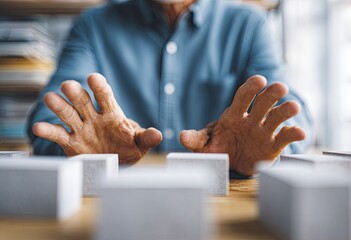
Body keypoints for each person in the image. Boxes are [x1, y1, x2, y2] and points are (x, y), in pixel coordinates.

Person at [27, 0, 312, 177]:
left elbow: (291, 118)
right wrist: (81, 148)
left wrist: (266, 146)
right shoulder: (93, 25)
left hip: (221, 198)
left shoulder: (248, 25)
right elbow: (48, 121)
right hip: (115, 200)